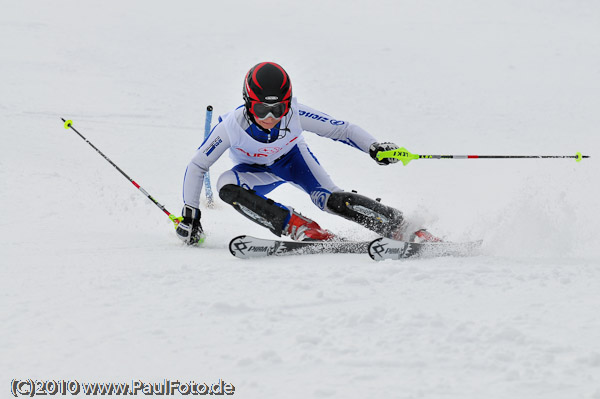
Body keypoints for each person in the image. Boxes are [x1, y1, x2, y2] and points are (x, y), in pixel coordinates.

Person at [176, 62, 440, 245]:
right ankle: (300, 227)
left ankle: (403, 227)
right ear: (247, 104)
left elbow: (343, 130)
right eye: (261, 110)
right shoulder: (230, 126)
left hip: (293, 162)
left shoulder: (296, 113)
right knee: (226, 186)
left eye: (278, 110)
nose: (270, 118)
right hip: (254, 173)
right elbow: (199, 165)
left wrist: (373, 147)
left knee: (329, 200)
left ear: (288, 103)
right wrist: (191, 214)